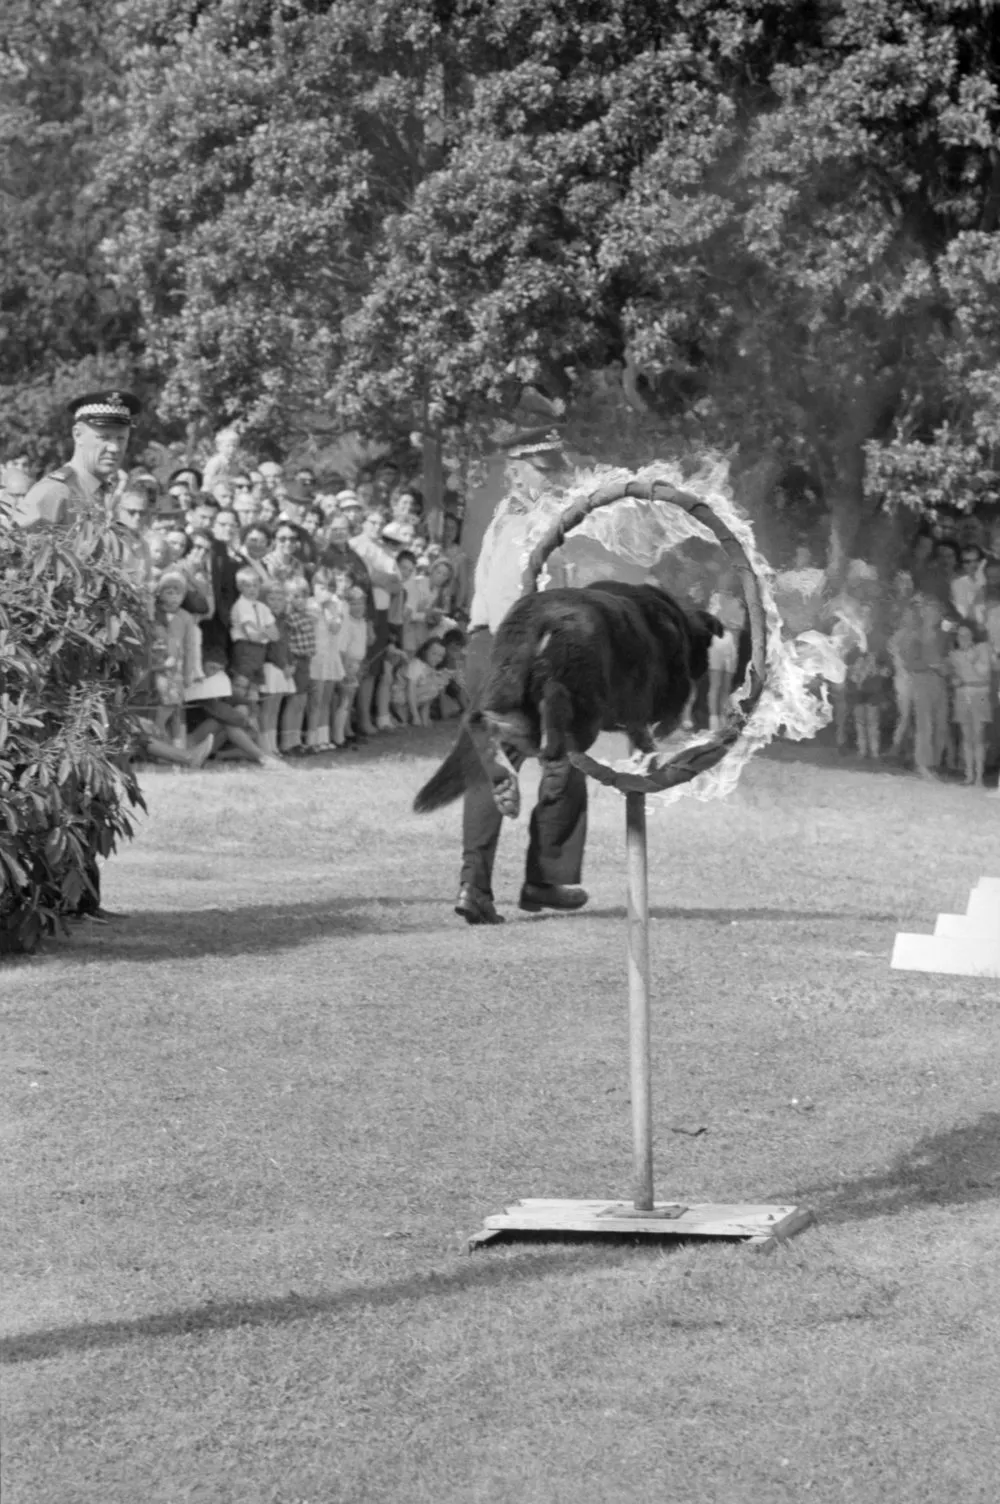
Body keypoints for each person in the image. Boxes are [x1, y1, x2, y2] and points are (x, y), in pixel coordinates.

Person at [454, 458, 589, 926]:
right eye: (542, 464)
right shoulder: (534, 522)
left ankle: (475, 885)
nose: (555, 471)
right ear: (517, 472)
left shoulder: (504, 518)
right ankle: (545, 879)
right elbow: (536, 595)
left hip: (486, 645)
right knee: (566, 757)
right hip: (521, 647)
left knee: (493, 765)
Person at [14, 389, 141, 530]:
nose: (114, 448)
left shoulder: (107, 495)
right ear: (78, 434)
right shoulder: (54, 492)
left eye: (121, 438)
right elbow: (18, 548)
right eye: (104, 437)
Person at [947, 623, 993, 787]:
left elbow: (985, 672)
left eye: (967, 635)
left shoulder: (982, 649)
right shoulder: (954, 654)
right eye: (960, 635)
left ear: (973, 636)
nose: (963, 639)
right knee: (966, 737)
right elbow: (953, 674)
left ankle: (979, 776)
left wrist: (972, 660)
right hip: (962, 695)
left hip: (979, 695)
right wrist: (954, 680)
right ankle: (969, 775)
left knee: (978, 737)